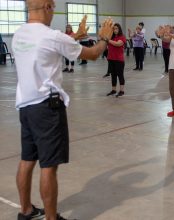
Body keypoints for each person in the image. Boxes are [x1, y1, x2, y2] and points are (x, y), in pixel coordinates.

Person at [12, 0, 114, 219]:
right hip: (47, 109)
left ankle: (26, 210)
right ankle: (51, 217)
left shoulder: (19, 34)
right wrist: (104, 37)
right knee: (49, 166)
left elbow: (49, 45)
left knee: (27, 159)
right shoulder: (52, 36)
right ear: (48, 7)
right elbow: (94, 53)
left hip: (26, 107)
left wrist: (75, 35)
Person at [106, 23, 127, 98]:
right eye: (114, 29)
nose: (115, 30)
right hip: (111, 59)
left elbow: (118, 44)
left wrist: (108, 40)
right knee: (113, 75)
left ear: (119, 29)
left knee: (120, 75)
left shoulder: (122, 37)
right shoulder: (111, 37)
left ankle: (122, 91)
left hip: (119, 60)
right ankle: (113, 90)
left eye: (116, 28)